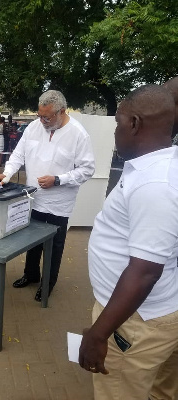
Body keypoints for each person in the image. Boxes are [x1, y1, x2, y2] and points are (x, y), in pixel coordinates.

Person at [79, 84, 178, 400]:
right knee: (162, 390)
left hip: (135, 322)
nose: (115, 132)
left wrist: (99, 334)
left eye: (118, 122)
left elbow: (145, 272)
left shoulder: (155, 184)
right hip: (152, 313)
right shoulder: (157, 165)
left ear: (134, 124)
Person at [0, 90, 95, 301]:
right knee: (32, 241)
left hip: (59, 203)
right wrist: (7, 172)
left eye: (46, 117)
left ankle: (48, 283)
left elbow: (87, 169)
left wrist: (58, 179)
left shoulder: (78, 134)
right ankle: (30, 275)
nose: (42, 121)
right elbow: (18, 154)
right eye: (39, 116)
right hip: (33, 198)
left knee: (54, 245)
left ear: (62, 112)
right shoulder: (34, 127)